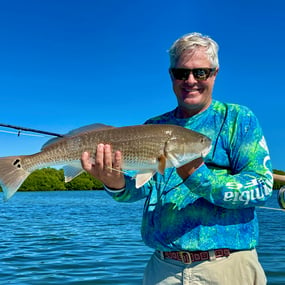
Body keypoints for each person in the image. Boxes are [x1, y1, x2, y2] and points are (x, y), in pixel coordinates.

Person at [81, 32, 273, 285]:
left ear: (215, 73)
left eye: (201, 72)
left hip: (227, 267)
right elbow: (138, 190)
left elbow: (262, 187)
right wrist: (114, 183)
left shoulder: (239, 119)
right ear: (171, 76)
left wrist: (198, 177)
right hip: (163, 269)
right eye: (182, 73)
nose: (191, 80)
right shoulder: (153, 125)